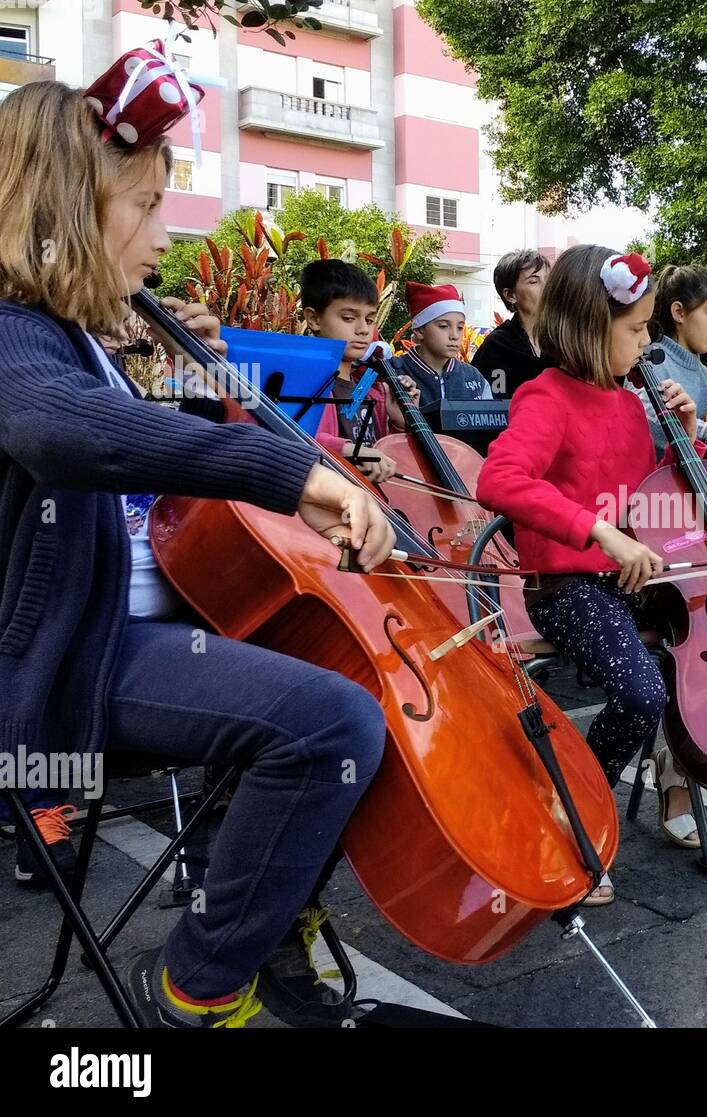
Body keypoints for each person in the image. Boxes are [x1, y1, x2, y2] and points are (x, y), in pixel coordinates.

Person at [0, 66, 394, 1026]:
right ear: (64, 208)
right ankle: (197, 985)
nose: (165, 236)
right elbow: (64, 431)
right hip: (71, 651)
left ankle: (267, 920)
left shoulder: (73, 333)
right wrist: (294, 476)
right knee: (329, 724)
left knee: (366, 682)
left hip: (124, 622)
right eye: (142, 206)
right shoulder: (13, 333)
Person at [477, 248, 703, 899]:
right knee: (640, 693)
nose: (647, 341)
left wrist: (682, 431)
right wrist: (595, 528)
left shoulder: (634, 403)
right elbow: (500, 478)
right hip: (568, 585)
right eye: (635, 329)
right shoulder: (545, 397)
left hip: (628, 583)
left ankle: (682, 777)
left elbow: (654, 497)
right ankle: (573, 807)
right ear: (587, 326)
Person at [301, 258, 417, 485]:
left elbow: (385, 460)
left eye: (370, 319)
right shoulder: (301, 384)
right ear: (314, 319)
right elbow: (294, 438)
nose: (363, 329)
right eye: (348, 318)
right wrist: (346, 449)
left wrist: (399, 422)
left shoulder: (370, 389)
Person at [636, 264, 707, 467]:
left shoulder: (705, 375)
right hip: (662, 482)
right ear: (679, 312)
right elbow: (646, 414)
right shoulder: (652, 359)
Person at [390, 280, 494, 431]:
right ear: (419, 330)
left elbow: (489, 431)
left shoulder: (474, 377)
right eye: (444, 326)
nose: (454, 335)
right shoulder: (393, 371)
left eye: (460, 327)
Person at [471, 248, 551, 397]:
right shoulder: (497, 346)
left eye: (548, 279)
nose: (547, 287)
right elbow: (492, 403)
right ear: (510, 295)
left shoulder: (564, 340)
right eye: (534, 281)